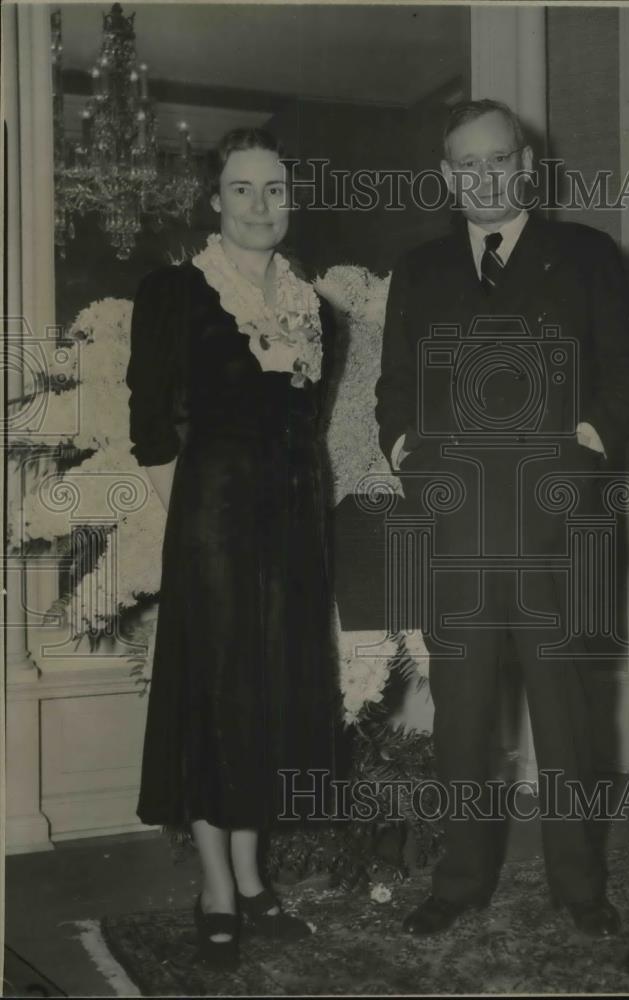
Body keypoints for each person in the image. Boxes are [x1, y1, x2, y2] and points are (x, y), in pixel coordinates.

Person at [375, 99, 629, 938]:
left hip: (556, 528)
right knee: (459, 717)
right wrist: (404, 454)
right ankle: (460, 880)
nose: (482, 177)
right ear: (445, 176)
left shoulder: (585, 255)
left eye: (496, 160)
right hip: (455, 528)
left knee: (565, 714)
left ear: (525, 166)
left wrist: (588, 443)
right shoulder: (420, 269)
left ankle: (578, 886)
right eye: (464, 164)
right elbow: (395, 385)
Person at [126, 128, 340, 969]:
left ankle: (252, 879)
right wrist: (198, 530)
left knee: (272, 697)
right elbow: (150, 426)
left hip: (293, 528)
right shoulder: (173, 292)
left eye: (275, 189)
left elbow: (304, 425)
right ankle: (216, 885)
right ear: (214, 200)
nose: (260, 205)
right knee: (217, 697)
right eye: (242, 188)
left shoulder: (314, 309)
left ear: (292, 200)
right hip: (211, 529)